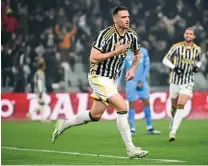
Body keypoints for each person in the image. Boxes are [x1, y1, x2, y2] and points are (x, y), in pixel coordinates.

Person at [51, 6, 148, 158]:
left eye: (128, 16)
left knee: (95, 115)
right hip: (98, 76)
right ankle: (130, 148)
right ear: (115, 19)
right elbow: (93, 57)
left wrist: (133, 70)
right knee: (122, 107)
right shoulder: (106, 35)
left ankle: (64, 124)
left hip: (112, 79)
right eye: (123, 17)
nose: (127, 19)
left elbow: (137, 53)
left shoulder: (132, 35)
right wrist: (115, 52)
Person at [162, 27, 202, 142]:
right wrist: (174, 67)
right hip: (175, 81)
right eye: (187, 33)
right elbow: (165, 59)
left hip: (188, 81)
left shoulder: (197, 50)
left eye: (191, 34)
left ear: (194, 37)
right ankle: (173, 119)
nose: (188, 35)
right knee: (174, 107)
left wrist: (196, 67)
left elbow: (199, 60)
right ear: (184, 35)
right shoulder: (176, 47)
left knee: (180, 105)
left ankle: (173, 132)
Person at [118, 47, 161, 135]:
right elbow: (121, 69)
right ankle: (132, 129)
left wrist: (141, 80)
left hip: (142, 82)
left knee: (146, 102)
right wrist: (118, 82)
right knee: (131, 104)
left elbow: (147, 66)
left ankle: (149, 128)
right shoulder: (124, 53)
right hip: (130, 82)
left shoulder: (144, 51)